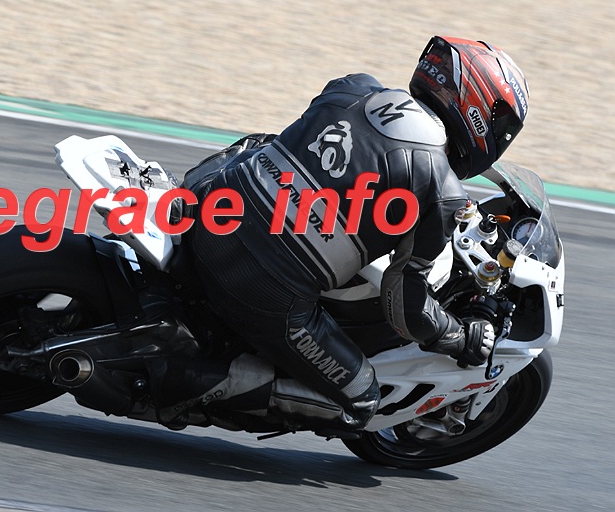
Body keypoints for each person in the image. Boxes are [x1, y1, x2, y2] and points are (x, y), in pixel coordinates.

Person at [167, 36, 529, 434]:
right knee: (361, 400)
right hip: (263, 288)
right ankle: (189, 382)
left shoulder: (353, 86)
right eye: (502, 125)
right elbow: (405, 308)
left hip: (203, 218)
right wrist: (458, 337)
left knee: (263, 144)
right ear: (479, 111)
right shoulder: (441, 189)